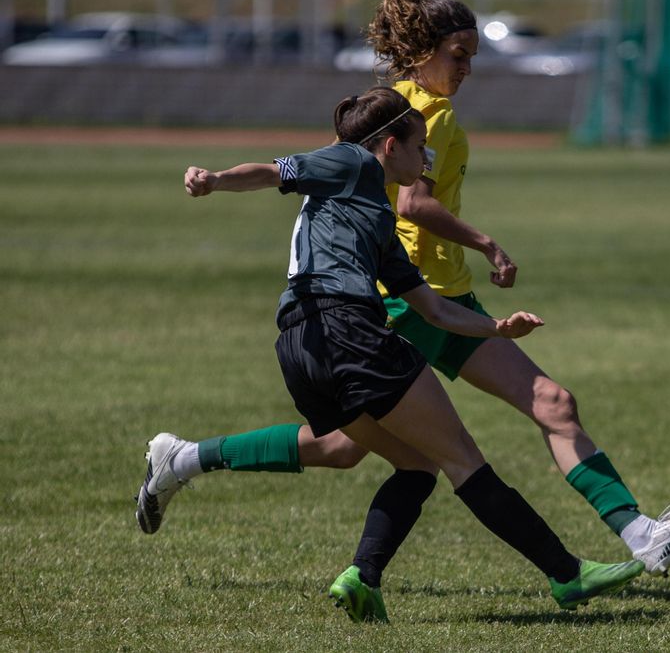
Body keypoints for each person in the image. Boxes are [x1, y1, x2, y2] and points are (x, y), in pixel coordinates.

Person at [136, 0, 670, 587]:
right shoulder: (422, 115)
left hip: (432, 294)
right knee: (451, 442)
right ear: (423, 51)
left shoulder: (396, 103)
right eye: (458, 55)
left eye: (473, 56)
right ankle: (594, 559)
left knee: (372, 442)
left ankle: (185, 459)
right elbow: (413, 204)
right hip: (408, 306)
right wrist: (486, 241)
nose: (467, 68)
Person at [163, 86, 644, 622]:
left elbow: (433, 310)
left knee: (416, 466)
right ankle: (566, 573)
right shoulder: (352, 162)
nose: (426, 158)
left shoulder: (378, 220)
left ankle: (362, 577)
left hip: (299, 347)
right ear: (390, 145)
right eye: (420, 147)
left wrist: (497, 329)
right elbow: (275, 171)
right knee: (462, 459)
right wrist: (215, 180)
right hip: (345, 326)